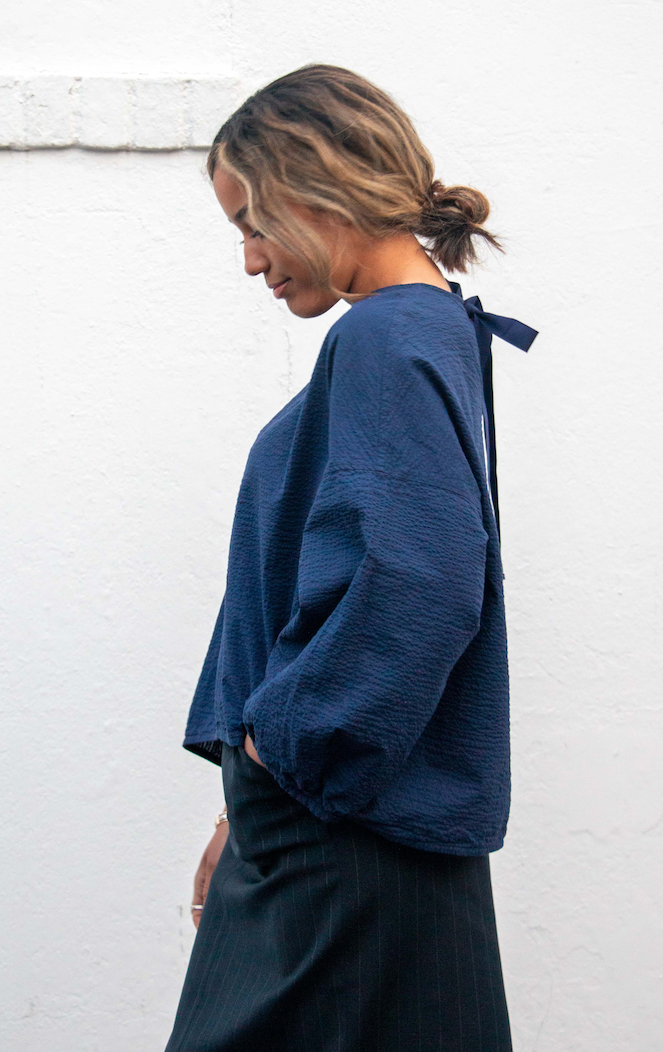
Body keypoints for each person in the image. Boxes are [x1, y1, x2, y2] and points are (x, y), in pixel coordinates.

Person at [164, 62, 539, 1052]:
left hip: (341, 832)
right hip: (346, 818)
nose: (249, 259)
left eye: (252, 222)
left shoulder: (386, 335)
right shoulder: (428, 329)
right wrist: (248, 803)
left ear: (315, 192)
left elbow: (421, 575)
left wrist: (279, 755)